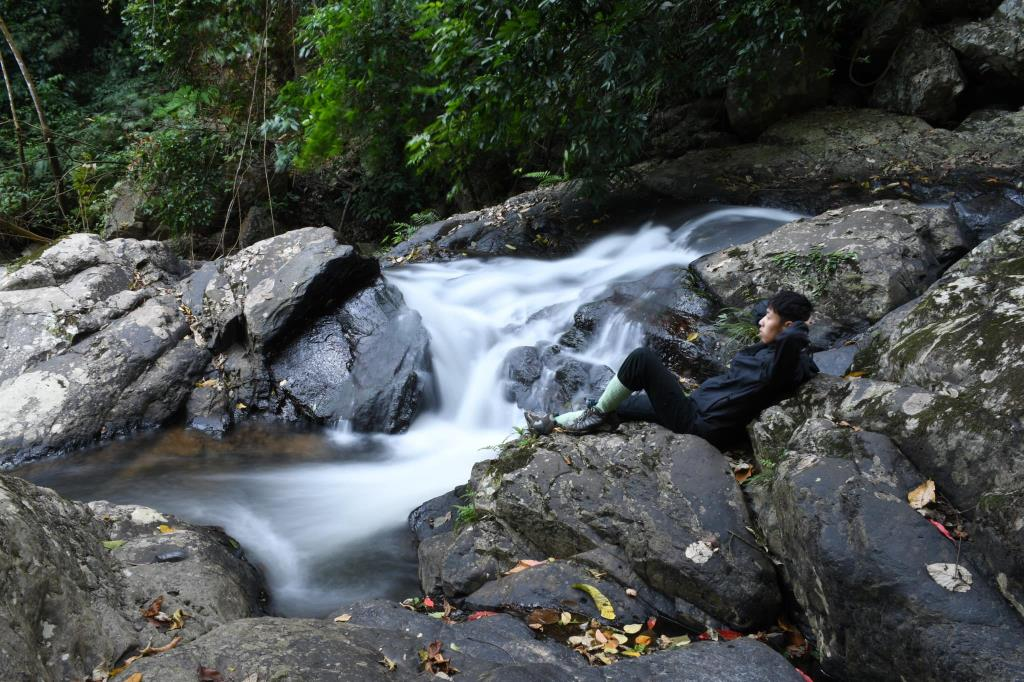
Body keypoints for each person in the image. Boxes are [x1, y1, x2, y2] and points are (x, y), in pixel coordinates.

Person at [525, 290, 818, 449]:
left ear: (788, 328)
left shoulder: (781, 366)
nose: (761, 322)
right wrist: (778, 312)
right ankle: (552, 423)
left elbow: (791, 342)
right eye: (766, 316)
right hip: (697, 407)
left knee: (642, 359)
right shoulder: (774, 350)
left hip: (700, 423)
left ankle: (593, 416)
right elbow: (763, 316)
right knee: (619, 404)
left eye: (770, 319)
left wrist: (799, 327)